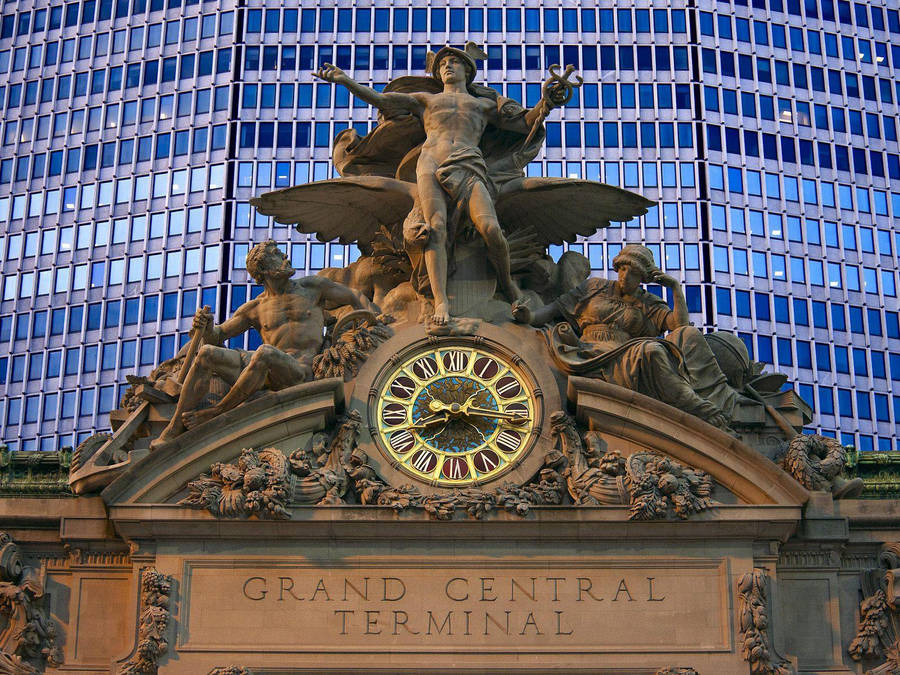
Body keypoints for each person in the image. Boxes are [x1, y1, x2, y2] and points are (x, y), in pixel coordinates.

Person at [314, 44, 559, 326]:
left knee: (491, 228)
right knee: (435, 228)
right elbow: (381, 99)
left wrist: (546, 103)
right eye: (443, 64)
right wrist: (346, 81)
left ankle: (508, 285)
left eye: (454, 62)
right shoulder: (425, 100)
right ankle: (441, 301)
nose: (447, 67)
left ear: (468, 71)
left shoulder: (484, 105)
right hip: (430, 163)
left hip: (468, 164)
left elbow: (525, 123)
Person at [151, 240, 374, 449]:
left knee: (265, 353)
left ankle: (217, 412)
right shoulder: (254, 308)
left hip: (300, 371)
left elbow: (355, 297)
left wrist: (376, 321)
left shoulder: (312, 287)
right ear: (264, 270)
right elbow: (217, 336)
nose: (286, 257)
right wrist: (207, 326)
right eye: (277, 254)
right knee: (207, 353)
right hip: (266, 371)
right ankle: (174, 428)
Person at [513, 244, 739, 429]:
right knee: (651, 351)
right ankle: (695, 404)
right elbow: (554, 309)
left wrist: (675, 288)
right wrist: (529, 316)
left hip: (626, 354)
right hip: (588, 350)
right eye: (622, 269)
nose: (625, 276)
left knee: (655, 349)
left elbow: (679, 326)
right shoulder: (594, 287)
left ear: (644, 277)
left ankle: (693, 402)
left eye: (634, 273)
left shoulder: (648, 302)